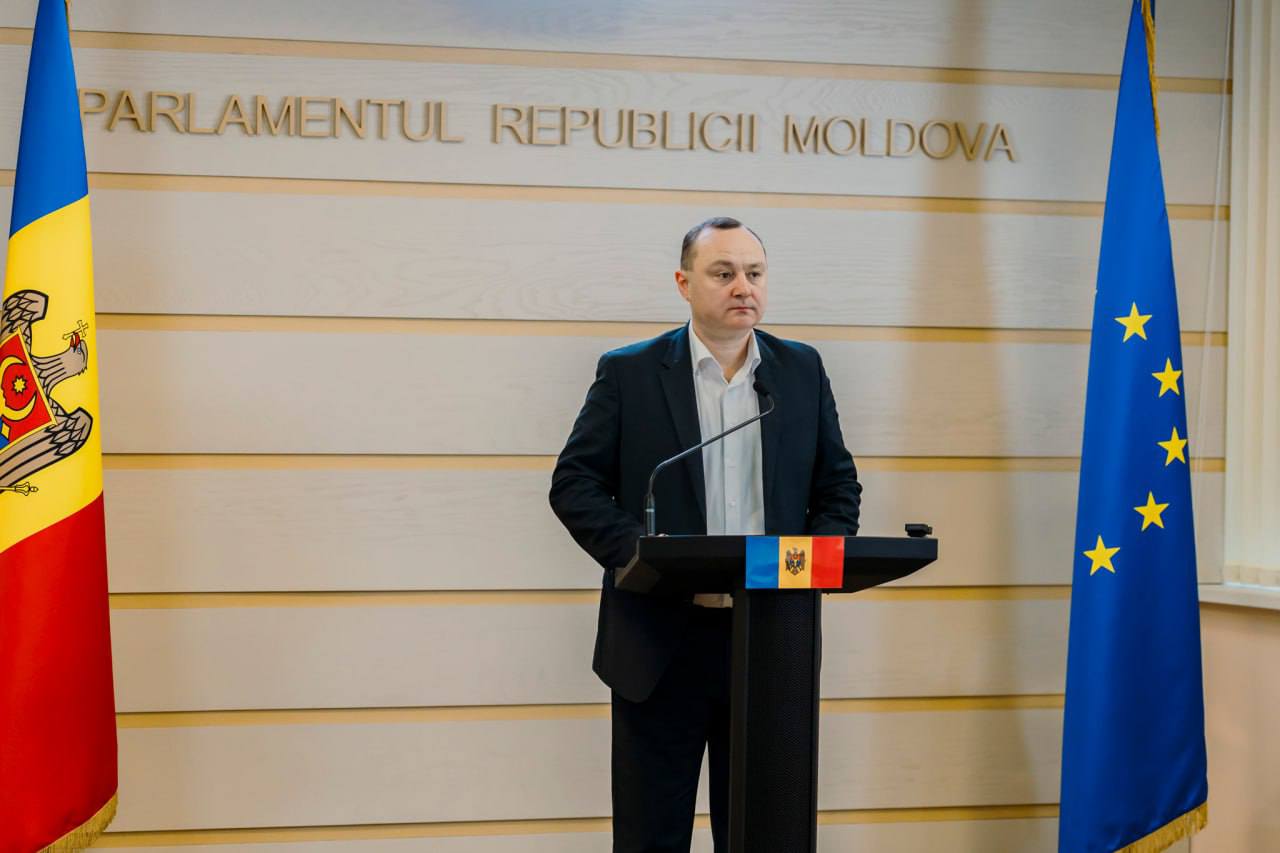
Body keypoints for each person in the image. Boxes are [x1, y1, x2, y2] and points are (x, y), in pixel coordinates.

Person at [549, 217, 862, 852]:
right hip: (660, 638)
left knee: (766, 834)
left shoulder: (800, 371)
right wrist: (644, 558)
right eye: (724, 273)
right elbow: (575, 483)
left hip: (772, 635)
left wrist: (809, 565)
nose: (743, 287)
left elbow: (837, 487)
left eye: (755, 273)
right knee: (652, 836)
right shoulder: (630, 373)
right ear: (684, 283)